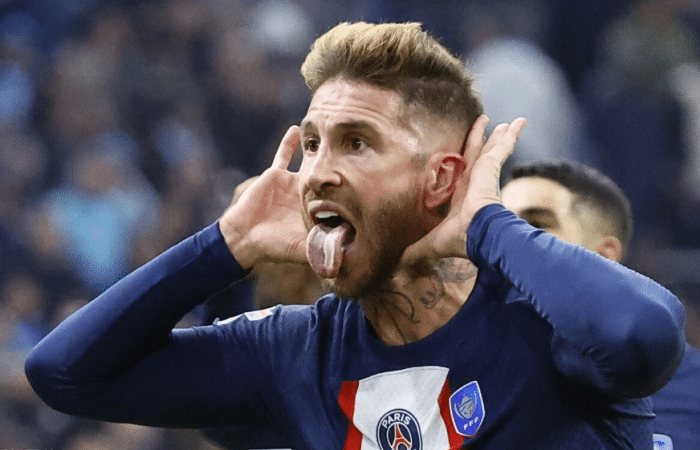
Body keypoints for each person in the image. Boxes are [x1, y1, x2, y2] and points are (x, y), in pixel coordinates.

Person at [25, 22, 685, 449]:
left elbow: (643, 338)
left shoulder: (542, 320)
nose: (316, 172)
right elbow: (64, 375)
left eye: (357, 142)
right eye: (312, 144)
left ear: (440, 179)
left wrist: (487, 226)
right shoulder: (291, 353)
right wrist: (224, 245)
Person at [501, 160, 700, 450]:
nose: (506, 246)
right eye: (495, 230)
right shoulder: (466, 370)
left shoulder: (691, 390)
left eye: (536, 226)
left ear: (603, 257)